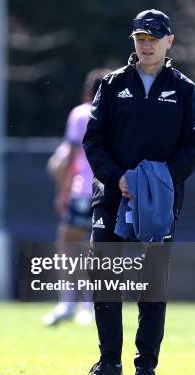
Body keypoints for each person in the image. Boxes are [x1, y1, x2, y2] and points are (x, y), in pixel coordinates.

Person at [81, 9, 195, 375]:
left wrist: (160, 180)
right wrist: (118, 178)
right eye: (140, 38)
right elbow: (94, 140)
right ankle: (108, 366)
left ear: (170, 42)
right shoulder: (112, 84)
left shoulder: (185, 89)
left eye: (154, 38)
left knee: (151, 286)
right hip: (111, 199)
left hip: (158, 206)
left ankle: (146, 368)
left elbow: (193, 145)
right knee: (105, 282)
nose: (146, 45)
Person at [42, 68, 110, 327]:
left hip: (84, 191)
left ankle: (69, 302)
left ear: (87, 91)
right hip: (112, 190)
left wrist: (62, 192)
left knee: (68, 244)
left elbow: (68, 157)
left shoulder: (82, 113)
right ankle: (91, 305)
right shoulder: (119, 113)